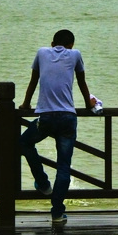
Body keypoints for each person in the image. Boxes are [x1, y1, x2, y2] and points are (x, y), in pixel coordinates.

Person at [19, 29, 95, 224]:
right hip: (68, 118)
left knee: (24, 143)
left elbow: (33, 80)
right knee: (64, 166)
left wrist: (26, 104)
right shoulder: (75, 55)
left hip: (46, 117)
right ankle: (57, 212)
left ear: (53, 43)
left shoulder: (41, 52)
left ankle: (43, 184)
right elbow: (82, 82)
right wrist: (90, 104)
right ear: (71, 45)